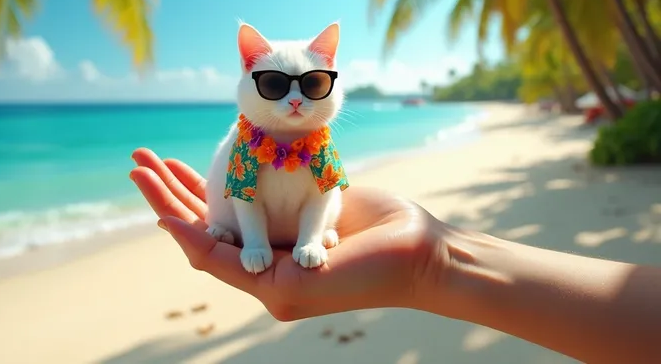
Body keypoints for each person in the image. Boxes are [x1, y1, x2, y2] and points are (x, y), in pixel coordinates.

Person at [129, 147, 661, 363]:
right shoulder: (247, 147)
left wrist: (429, 259)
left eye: (313, 84)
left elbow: (327, 193)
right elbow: (242, 196)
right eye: (274, 84)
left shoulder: (318, 144)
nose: (294, 99)